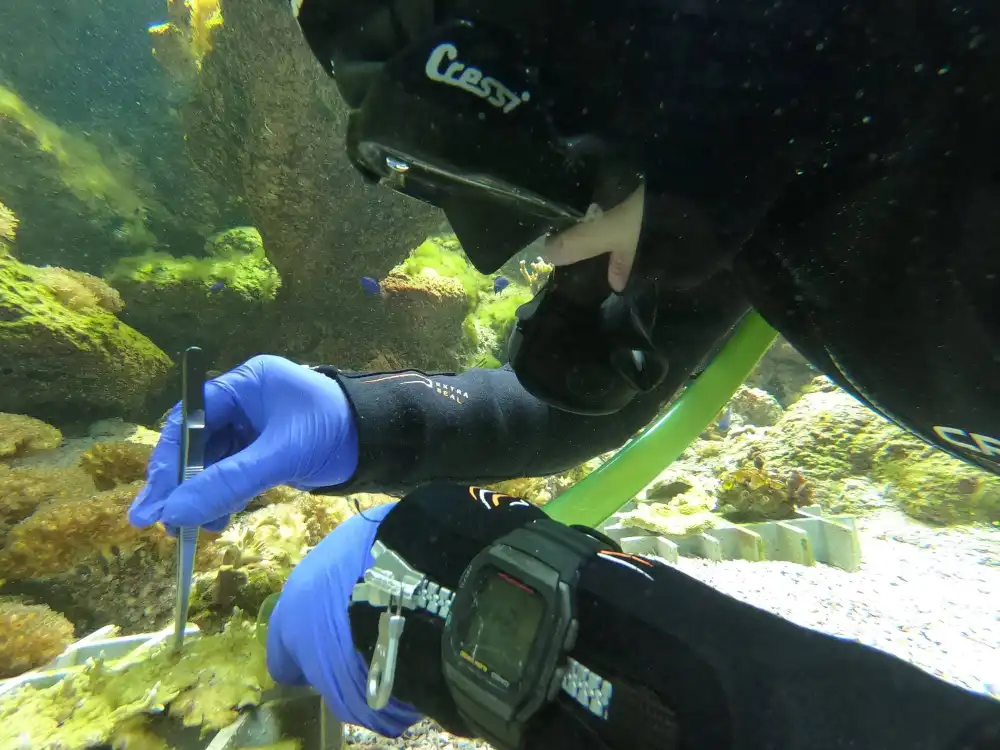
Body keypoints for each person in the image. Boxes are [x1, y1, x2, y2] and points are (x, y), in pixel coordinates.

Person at [128, 0, 1000, 747]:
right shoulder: (762, 150)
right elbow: (572, 402)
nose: (494, 238)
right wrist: (360, 418)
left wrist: (468, 618)